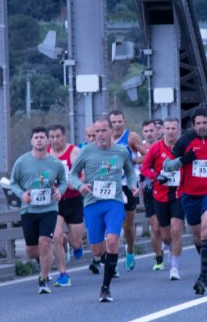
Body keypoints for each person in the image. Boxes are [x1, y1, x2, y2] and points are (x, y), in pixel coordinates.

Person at [69, 117, 138, 302]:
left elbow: (130, 171)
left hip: (114, 201)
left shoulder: (121, 151)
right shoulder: (86, 151)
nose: (99, 135)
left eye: (103, 131)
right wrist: (80, 186)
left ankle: (105, 288)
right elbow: (72, 174)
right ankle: (108, 258)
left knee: (113, 240)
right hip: (92, 203)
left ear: (111, 131)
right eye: (96, 131)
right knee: (98, 250)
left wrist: (133, 185)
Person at [165, 108, 207, 295]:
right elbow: (167, 165)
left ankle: (203, 276)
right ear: (193, 125)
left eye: (204, 123)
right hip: (189, 195)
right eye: (198, 123)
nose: (201, 126)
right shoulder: (184, 142)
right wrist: (183, 161)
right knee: (198, 235)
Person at [9, 127, 68, 294]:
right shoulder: (22, 161)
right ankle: (44, 258)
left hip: (49, 208)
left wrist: (59, 191)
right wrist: (22, 194)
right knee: (32, 251)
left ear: (47, 141)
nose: (39, 140)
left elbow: (63, 182)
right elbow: (13, 183)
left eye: (42, 137)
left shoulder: (55, 163)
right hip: (28, 209)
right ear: (31, 141)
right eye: (36, 137)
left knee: (45, 242)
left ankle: (43, 279)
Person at [141, 118, 185, 279]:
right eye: (168, 128)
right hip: (160, 195)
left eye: (174, 128)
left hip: (179, 193)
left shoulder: (183, 147)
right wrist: (156, 176)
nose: (171, 131)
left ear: (178, 130)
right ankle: (170, 248)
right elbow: (145, 168)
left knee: (176, 229)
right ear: (163, 130)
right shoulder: (156, 148)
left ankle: (175, 268)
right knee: (166, 236)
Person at [47, 124, 84, 288]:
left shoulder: (74, 152)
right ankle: (63, 274)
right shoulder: (46, 154)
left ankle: (73, 244)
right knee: (56, 236)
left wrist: (75, 182)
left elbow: (84, 174)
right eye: (52, 137)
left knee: (77, 242)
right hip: (55, 201)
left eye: (58, 136)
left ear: (64, 137)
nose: (55, 140)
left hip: (73, 199)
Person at [109, 110, 146, 272]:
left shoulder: (131, 137)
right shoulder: (104, 138)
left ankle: (130, 250)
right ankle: (112, 261)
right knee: (112, 227)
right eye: (113, 122)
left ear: (124, 122)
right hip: (111, 186)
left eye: (119, 121)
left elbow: (148, 155)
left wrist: (133, 160)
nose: (117, 125)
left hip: (128, 185)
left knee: (128, 227)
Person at [140, 120, 163, 270]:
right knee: (155, 227)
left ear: (157, 132)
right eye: (146, 131)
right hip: (148, 191)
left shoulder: (164, 146)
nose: (149, 134)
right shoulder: (139, 148)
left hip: (165, 190)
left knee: (165, 227)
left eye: (151, 131)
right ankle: (159, 257)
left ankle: (168, 245)